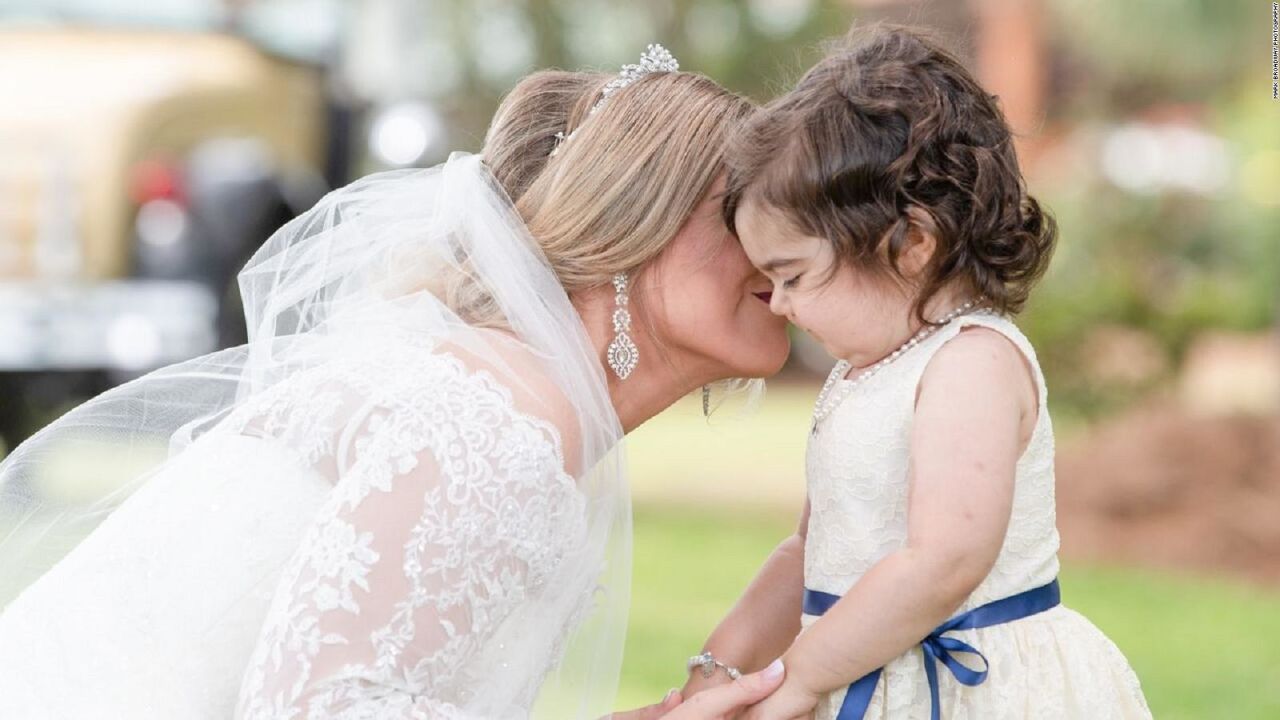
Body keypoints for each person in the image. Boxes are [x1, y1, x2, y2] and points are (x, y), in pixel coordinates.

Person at [0, 45, 790, 719]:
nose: (778, 242)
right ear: (630, 225)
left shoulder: (501, 396)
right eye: (741, 210)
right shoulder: (493, 423)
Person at [682, 25, 1153, 719]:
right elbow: (809, 552)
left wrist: (807, 676)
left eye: (793, 276)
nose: (777, 303)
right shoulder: (863, 375)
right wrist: (722, 665)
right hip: (862, 669)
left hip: (971, 691)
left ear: (911, 244)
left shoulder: (971, 362)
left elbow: (943, 563)